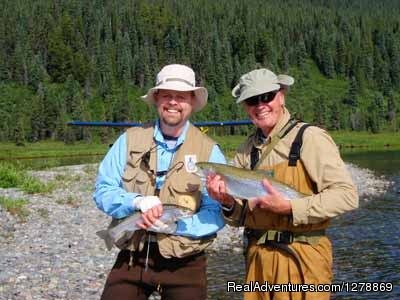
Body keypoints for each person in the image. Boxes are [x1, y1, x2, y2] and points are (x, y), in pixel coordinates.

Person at [206, 68, 358, 300]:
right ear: (245, 106)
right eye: (252, 100)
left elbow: (347, 196)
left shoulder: (310, 137)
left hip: (303, 261)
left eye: (266, 97)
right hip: (258, 262)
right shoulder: (245, 150)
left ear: (281, 96)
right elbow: (240, 217)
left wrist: (290, 208)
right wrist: (226, 201)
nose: (260, 105)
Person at [94, 64, 226, 300]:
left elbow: (216, 212)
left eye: (181, 96)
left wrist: (179, 227)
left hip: (186, 262)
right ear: (156, 99)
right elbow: (103, 190)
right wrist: (136, 202)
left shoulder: (210, 151)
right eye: (167, 95)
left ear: (192, 103)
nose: (173, 102)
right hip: (133, 255)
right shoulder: (129, 140)